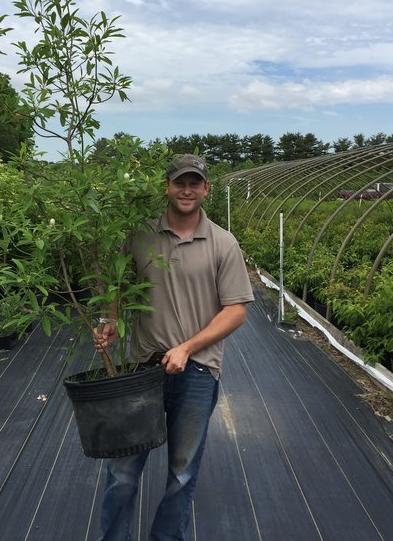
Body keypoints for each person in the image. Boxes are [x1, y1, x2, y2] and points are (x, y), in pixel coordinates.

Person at [93, 154, 255, 541]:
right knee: (122, 472)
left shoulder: (223, 243)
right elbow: (116, 282)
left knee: (182, 473)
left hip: (197, 371)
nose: (187, 190)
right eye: (180, 183)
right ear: (167, 187)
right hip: (140, 371)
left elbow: (236, 311)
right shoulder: (140, 234)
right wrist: (110, 319)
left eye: (194, 183)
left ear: (206, 190)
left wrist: (187, 347)